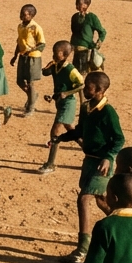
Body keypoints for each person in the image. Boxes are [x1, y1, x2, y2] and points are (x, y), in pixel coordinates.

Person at [53, 71, 124, 263]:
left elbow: (119, 139)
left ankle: (82, 248)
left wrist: (108, 157)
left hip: (102, 163)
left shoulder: (108, 112)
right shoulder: (86, 107)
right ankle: (126, 227)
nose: (85, 89)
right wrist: (61, 138)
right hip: (89, 161)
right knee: (101, 200)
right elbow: (80, 130)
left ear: (100, 90)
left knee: (84, 198)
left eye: (89, 87)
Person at [36, 41, 83, 175]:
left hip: (68, 103)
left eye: (56, 53)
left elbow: (81, 85)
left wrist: (67, 93)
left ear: (65, 55)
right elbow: (45, 73)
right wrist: (53, 97)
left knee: (55, 131)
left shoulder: (70, 69)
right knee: (72, 131)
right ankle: (90, 153)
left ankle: (50, 163)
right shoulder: (56, 65)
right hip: (60, 102)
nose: (53, 55)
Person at [13, 4, 45, 119]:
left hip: (33, 58)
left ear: (31, 15)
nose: (21, 15)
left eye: (24, 14)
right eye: (21, 13)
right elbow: (19, 42)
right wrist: (15, 56)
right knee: (19, 81)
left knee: (30, 83)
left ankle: (31, 107)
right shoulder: (20, 26)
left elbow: (42, 44)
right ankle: (33, 96)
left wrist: (31, 50)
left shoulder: (36, 27)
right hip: (22, 57)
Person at [70, 0, 106, 76]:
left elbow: (102, 31)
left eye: (79, 3)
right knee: (75, 72)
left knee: (84, 72)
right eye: (76, 3)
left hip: (87, 50)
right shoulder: (74, 17)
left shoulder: (92, 17)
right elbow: (74, 32)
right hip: (76, 50)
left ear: (86, 5)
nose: (77, 5)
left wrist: (99, 42)